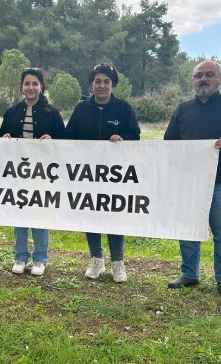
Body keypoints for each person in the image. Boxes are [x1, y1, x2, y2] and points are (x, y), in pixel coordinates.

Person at [164, 60, 221, 297]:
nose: (203, 79)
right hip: (189, 182)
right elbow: (168, 144)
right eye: (198, 76)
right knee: (188, 229)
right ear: (193, 80)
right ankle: (189, 273)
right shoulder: (183, 110)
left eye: (209, 75)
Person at [62, 63, 140, 282]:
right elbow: (70, 136)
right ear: (91, 84)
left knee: (114, 215)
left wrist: (122, 138)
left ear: (113, 84)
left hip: (115, 174)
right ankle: (96, 258)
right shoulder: (81, 109)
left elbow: (135, 135)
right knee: (91, 215)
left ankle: (118, 262)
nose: (102, 85)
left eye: (106, 81)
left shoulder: (124, 108)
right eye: (98, 81)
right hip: (87, 173)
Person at [0, 68, 65, 276]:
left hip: (43, 173)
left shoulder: (52, 113)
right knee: (19, 214)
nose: (31, 87)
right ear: (21, 87)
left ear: (41, 87)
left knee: (39, 214)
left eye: (35, 83)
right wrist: (6, 139)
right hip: (17, 172)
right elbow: (1, 140)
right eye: (27, 83)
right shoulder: (12, 112)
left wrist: (52, 141)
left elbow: (64, 142)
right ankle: (20, 257)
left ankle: (40, 258)